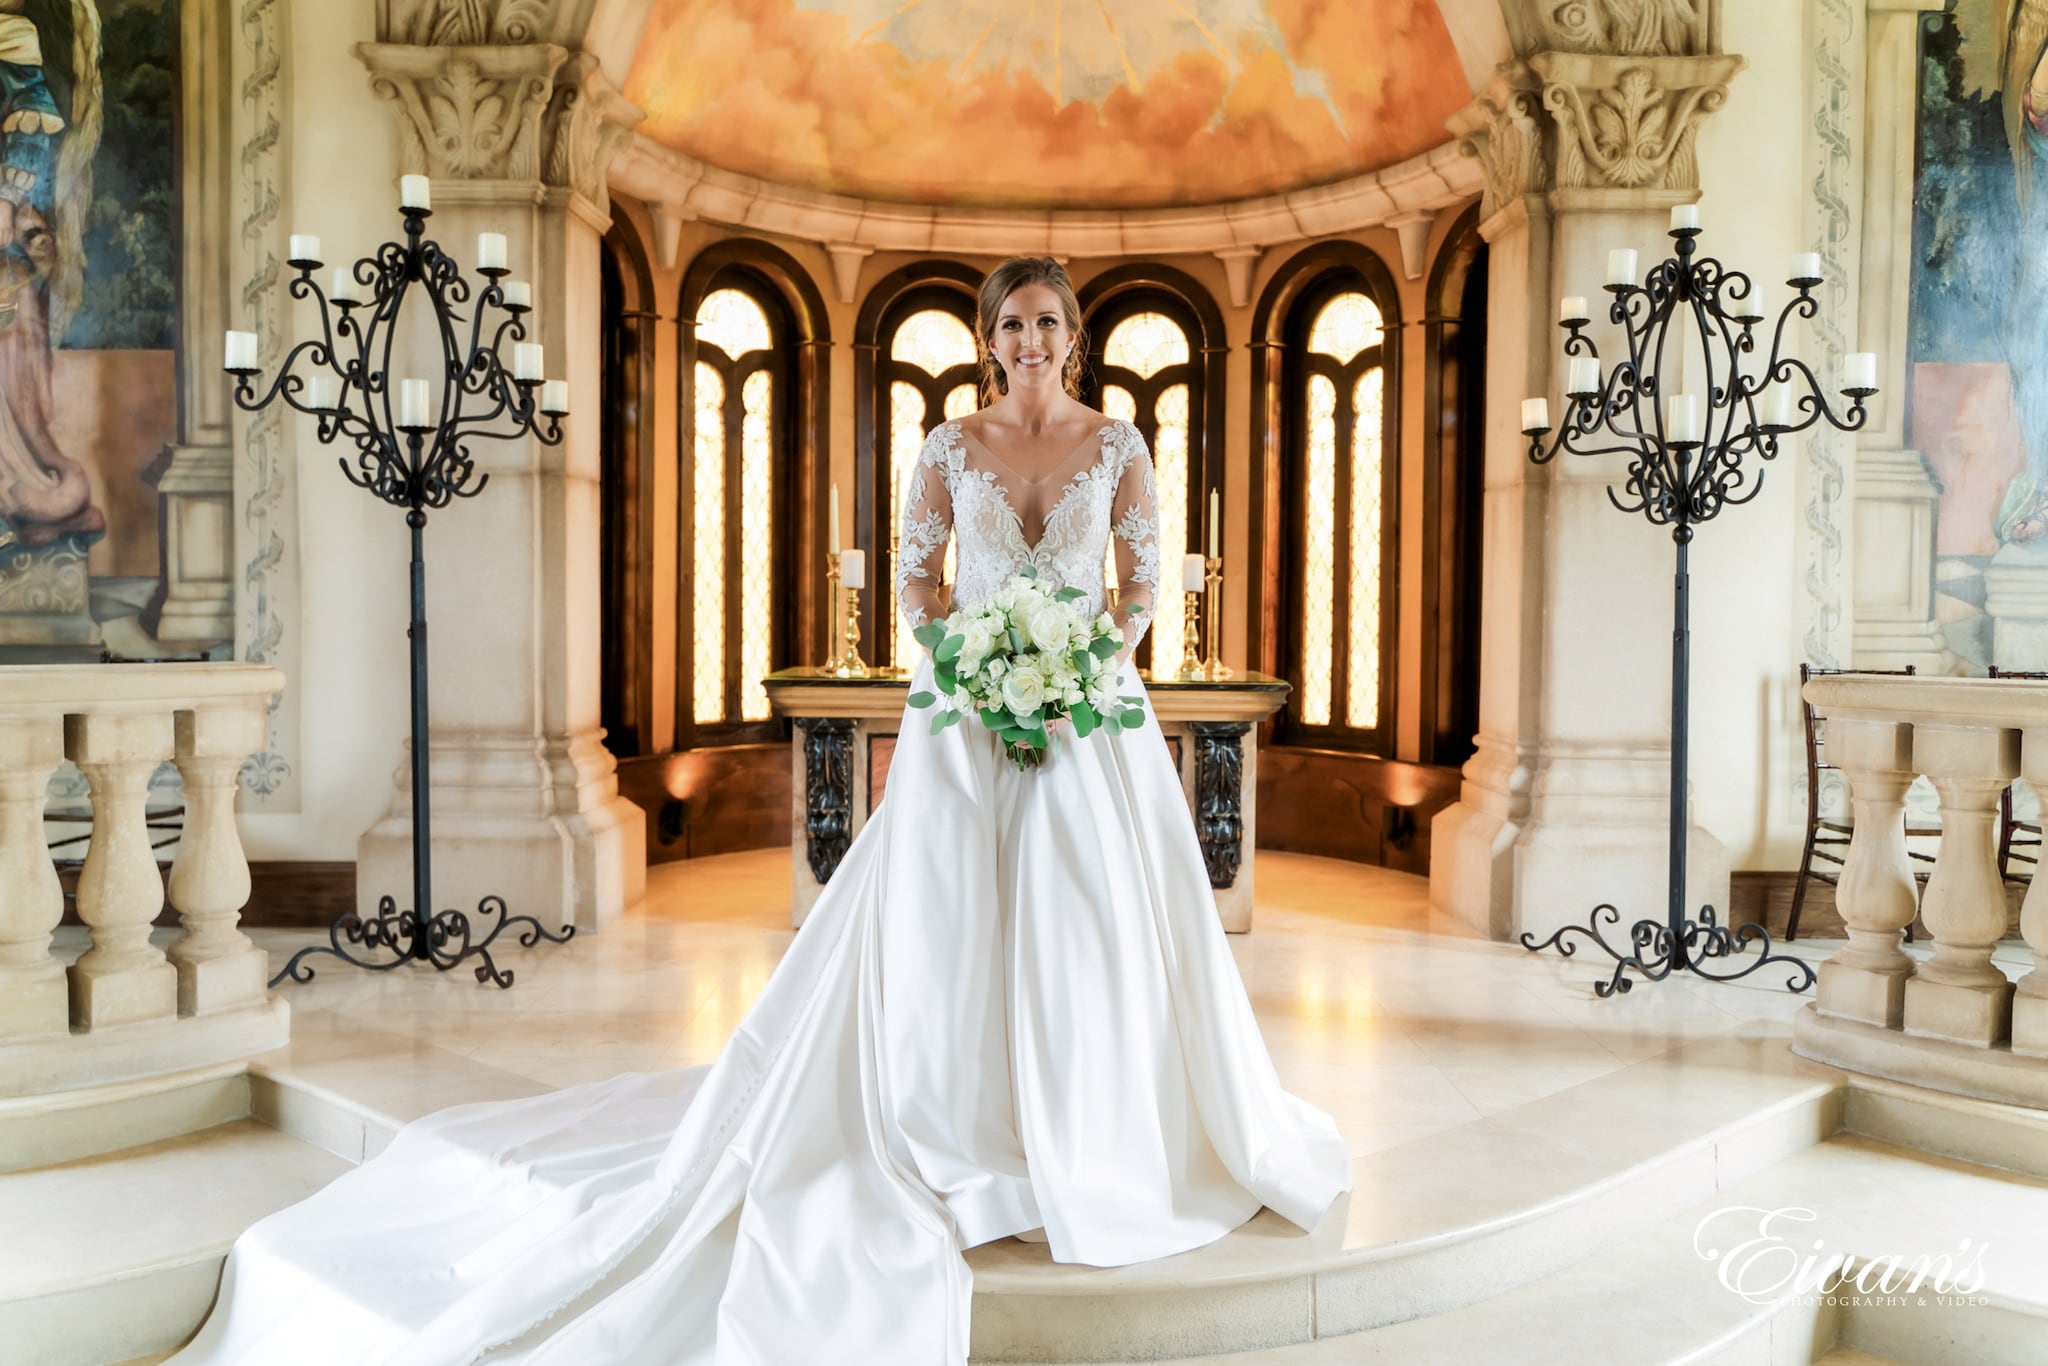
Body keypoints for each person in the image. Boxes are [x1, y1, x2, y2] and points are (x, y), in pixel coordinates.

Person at [169, 257, 1349, 1365]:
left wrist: (1082, 658)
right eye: (1009, 324)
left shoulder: (1121, 445)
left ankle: (1098, 1131)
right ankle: (953, 1124)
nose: (1029, 340)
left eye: (1046, 321)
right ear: (987, 343)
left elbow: (1141, 584)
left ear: (1071, 335)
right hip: (965, 720)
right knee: (949, 920)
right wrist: (967, 658)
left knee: (1095, 922)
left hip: (1088, 718)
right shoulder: (945, 443)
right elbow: (918, 578)